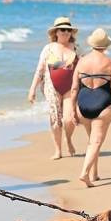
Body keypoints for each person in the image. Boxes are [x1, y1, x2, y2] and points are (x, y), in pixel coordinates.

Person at [70, 28, 111, 187]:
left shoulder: (81, 61)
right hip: (103, 105)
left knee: (92, 141)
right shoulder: (110, 63)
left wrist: (73, 110)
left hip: (83, 105)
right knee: (95, 142)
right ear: (105, 45)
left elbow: (74, 88)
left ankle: (94, 174)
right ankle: (85, 174)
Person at [28, 17, 80, 159]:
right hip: (51, 87)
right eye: (62, 30)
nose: (65, 32)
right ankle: (58, 150)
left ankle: (68, 139)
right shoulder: (48, 48)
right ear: (56, 32)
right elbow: (40, 69)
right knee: (55, 119)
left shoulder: (77, 48)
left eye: (68, 30)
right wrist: (32, 89)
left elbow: (83, 68)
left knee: (70, 119)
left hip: (70, 88)